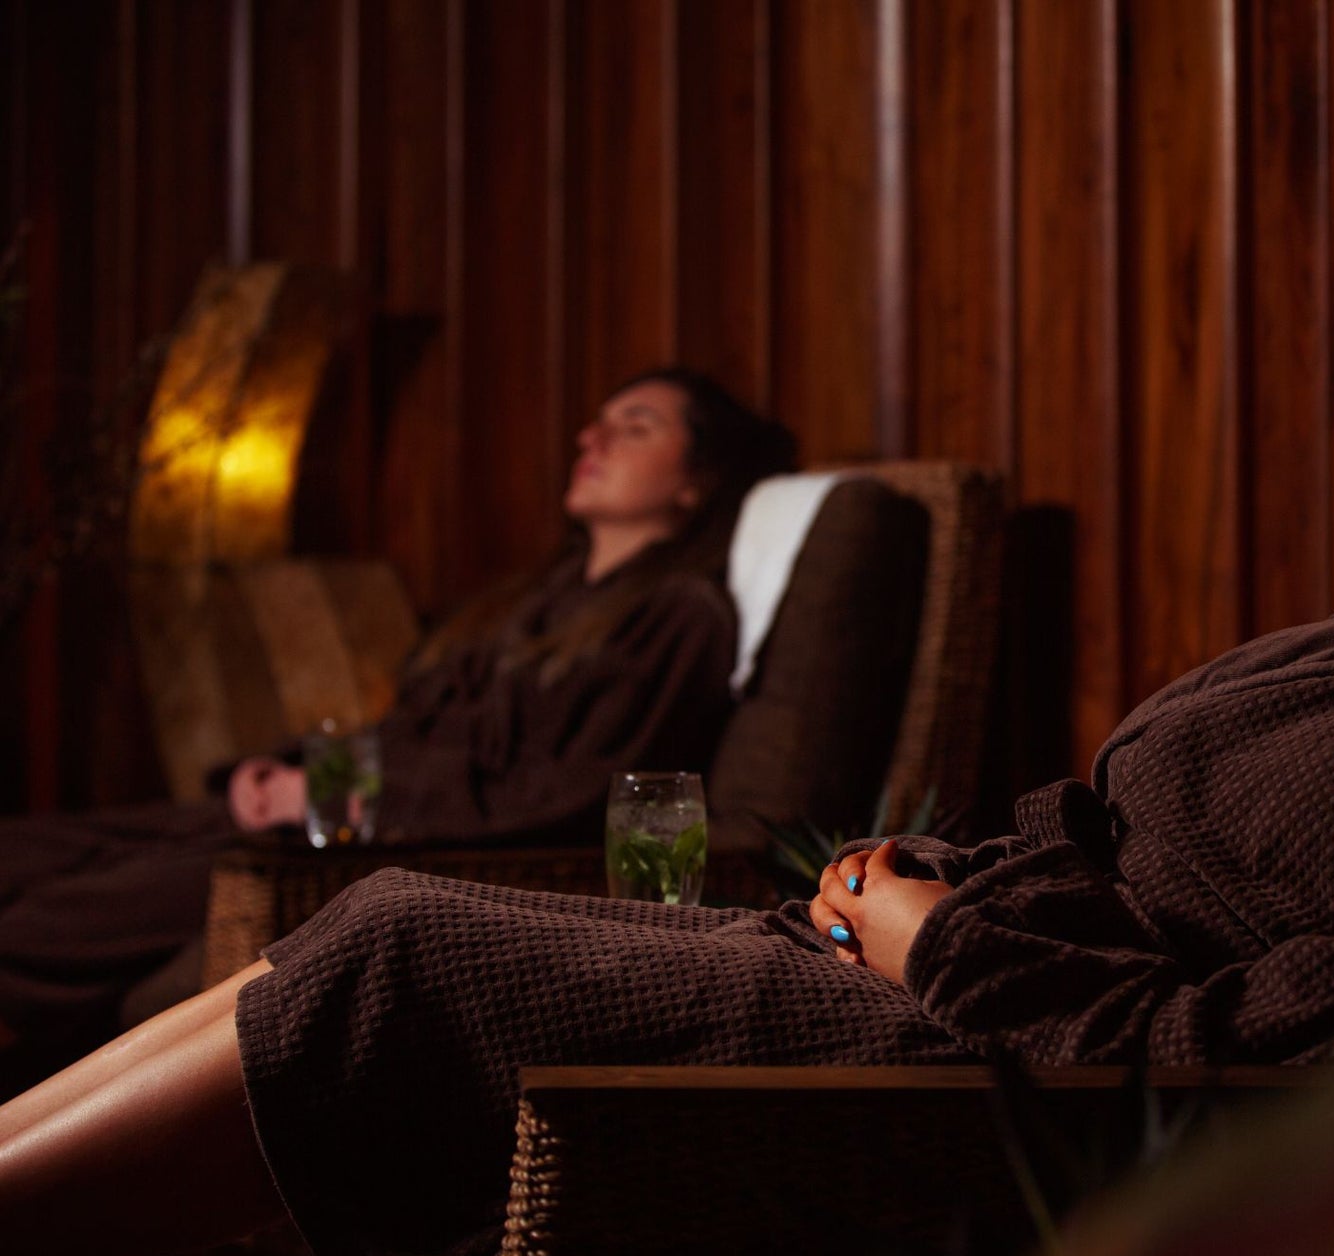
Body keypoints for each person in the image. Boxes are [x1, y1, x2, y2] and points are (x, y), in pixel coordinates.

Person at [0, 243, 1334, 1256]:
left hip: (990, 1061)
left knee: (400, 941)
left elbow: (1326, 1033)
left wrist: (948, 951)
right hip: (928, 960)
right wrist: (903, 878)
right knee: (324, 943)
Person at [0, 366, 795, 1091]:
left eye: (637, 425)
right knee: (19, 852)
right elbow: (401, 730)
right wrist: (280, 773)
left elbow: (567, 794)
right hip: (319, 820)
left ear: (699, 479)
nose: (591, 439)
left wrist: (339, 800)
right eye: (595, 422)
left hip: (387, 852)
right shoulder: (521, 604)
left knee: (37, 927)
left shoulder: (677, 617)